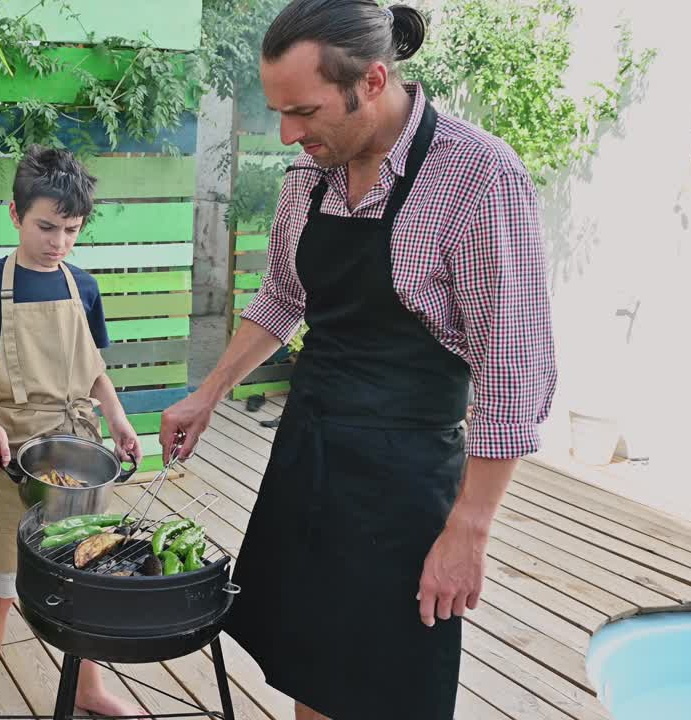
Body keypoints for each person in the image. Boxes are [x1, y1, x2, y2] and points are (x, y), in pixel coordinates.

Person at [159, 2, 557, 718]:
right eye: (279, 111)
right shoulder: (308, 178)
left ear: (372, 81)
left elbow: (515, 373)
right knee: (309, 672)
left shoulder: (477, 177)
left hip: (405, 488)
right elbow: (281, 297)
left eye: (303, 111)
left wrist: (470, 529)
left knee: (385, 692)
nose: (287, 133)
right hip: (308, 455)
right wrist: (209, 392)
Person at [0, 146, 145, 719]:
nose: (58, 242)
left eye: (71, 230)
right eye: (46, 227)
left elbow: (94, 371)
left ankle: (89, 689)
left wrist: (119, 418)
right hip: (11, 456)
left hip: (78, 458)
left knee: (84, 580)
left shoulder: (82, 285)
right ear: (15, 215)